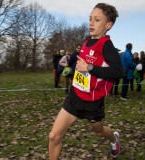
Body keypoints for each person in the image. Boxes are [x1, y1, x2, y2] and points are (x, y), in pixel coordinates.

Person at [49, 3, 122, 159]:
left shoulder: (107, 46)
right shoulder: (87, 40)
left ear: (108, 25)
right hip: (75, 97)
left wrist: (89, 67)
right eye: (90, 19)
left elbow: (118, 72)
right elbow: (81, 66)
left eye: (96, 20)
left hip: (93, 102)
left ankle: (114, 139)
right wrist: (74, 70)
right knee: (54, 136)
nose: (91, 23)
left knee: (99, 131)